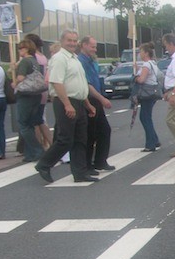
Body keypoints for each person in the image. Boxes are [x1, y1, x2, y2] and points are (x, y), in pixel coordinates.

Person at [36, 29, 98, 183]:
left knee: (80, 139)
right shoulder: (59, 58)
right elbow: (57, 82)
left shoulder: (74, 59)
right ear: (62, 41)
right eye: (69, 40)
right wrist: (67, 104)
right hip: (65, 101)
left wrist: (88, 104)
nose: (72, 43)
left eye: (74, 40)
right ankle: (44, 164)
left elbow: (80, 84)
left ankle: (80, 173)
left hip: (78, 102)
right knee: (65, 139)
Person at [78, 36, 115, 171]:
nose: (95, 49)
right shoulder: (81, 61)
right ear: (84, 45)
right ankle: (88, 164)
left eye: (95, 46)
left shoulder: (91, 60)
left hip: (96, 98)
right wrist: (102, 99)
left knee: (103, 130)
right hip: (89, 99)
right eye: (92, 46)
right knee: (91, 133)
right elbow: (87, 85)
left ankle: (100, 161)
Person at [13, 38, 46, 163]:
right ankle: (29, 153)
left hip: (25, 94)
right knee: (30, 124)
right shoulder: (35, 61)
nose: (19, 50)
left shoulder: (25, 61)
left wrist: (14, 82)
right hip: (36, 94)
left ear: (26, 49)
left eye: (21, 48)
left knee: (23, 124)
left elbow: (21, 77)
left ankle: (37, 151)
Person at [133, 42, 161, 152]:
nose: (139, 54)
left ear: (145, 53)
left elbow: (142, 80)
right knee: (146, 117)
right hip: (152, 93)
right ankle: (154, 139)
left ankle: (150, 143)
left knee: (145, 118)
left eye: (140, 51)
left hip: (146, 93)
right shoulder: (153, 63)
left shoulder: (146, 65)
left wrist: (135, 77)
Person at [27, 34, 52, 150]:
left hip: (34, 91)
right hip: (43, 90)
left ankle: (40, 146)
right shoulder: (43, 57)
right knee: (41, 119)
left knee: (35, 122)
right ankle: (49, 144)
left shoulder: (33, 57)